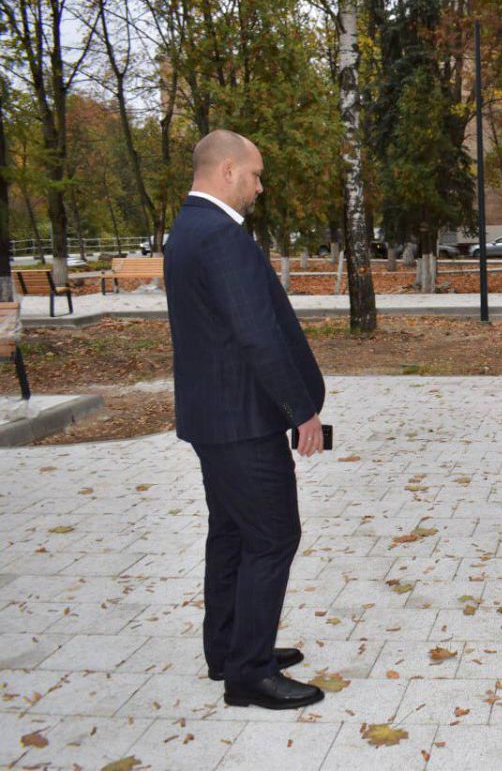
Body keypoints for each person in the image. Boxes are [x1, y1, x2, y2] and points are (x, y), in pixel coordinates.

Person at [165, 130, 327, 710]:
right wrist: (300, 410)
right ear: (228, 170)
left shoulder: (186, 230)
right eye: (256, 175)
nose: (260, 186)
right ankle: (249, 674)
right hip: (242, 423)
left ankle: (229, 648)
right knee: (273, 537)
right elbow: (257, 336)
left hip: (215, 419)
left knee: (231, 534)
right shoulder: (220, 237)